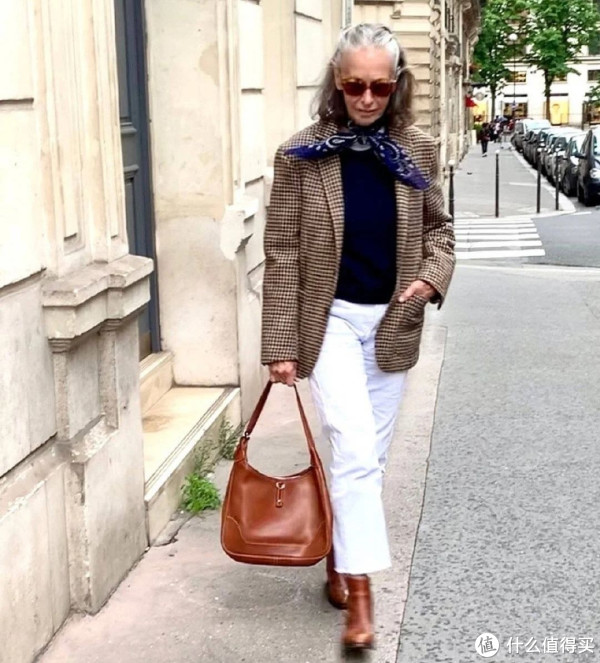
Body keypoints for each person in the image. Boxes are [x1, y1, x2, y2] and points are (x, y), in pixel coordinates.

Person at [261, 23, 455, 651]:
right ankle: (361, 595)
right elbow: (282, 252)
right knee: (352, 444)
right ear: (336, 83)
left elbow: (440, 230)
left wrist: (428, 280)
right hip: (331, 322)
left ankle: (338, 556)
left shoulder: (417, 149)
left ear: (398, 85)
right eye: (354, 86)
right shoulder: (300, 155)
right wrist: (280, 344)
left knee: (367, 458)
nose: (366, 98)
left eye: (379, 86)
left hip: (393, 320)